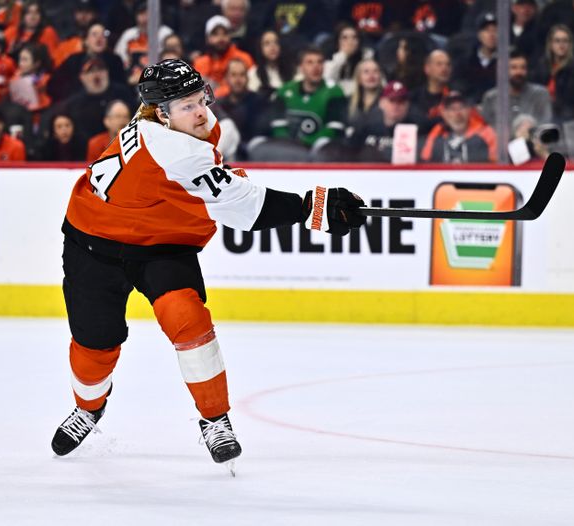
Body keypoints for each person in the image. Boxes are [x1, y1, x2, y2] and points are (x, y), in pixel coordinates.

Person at [51, 58, 366, 466]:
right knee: (95, 345)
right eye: (187, 105)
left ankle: (215, 419)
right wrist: (315, 207)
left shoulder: (173, 126)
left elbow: (202, 183)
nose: (201, 111)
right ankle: (88, 408)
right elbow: (243, 207)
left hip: (161, 241)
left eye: (201, 99)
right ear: (161, 113)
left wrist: (223, 179)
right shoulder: (170, 145)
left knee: (190, 322)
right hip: (94, 242)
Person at [270, 46, 347, 148]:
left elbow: (333, 128)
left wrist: (305, 143)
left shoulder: (334, 92)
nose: (316, 67)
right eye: (310, 62)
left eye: (319, 62)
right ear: (301, 67)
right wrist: (288, 144)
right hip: (287, 148)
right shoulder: (285, 91)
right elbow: (278, 125)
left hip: (319, 150)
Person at [347, 80, 421, 159]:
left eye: (401, 101)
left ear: (407, 105)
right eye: (391, 101)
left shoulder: (417, 130)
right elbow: (349, 156)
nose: (396, 106)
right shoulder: (365, 129)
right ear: (381, 103)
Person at [531, 24, 574, 123]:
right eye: (557, 41)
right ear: (550, 44)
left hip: (565, 115)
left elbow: (570, 100)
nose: (561, 45)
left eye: (565, 41)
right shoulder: (542, 64)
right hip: (542, 110)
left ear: (570, 44)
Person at [479, 49, 552, 128]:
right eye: (513, 68)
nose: (519, 72)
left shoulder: (540, 94)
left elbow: (546, 125)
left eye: (523, 68)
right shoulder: (491, 97)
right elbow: (485, 130)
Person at [420, 90, 497, 163]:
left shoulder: (485, 132)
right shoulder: (438, 132)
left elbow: (496, 162)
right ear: (444, 113)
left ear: (469, 110)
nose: (457, 114)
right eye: (452, 109)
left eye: (461, 107)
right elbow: (426, 159)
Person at [193, 15, 255, 99]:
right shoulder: (200, 63)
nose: (220, 38)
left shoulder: (244, 58)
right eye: (215, 34)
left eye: (225, 33)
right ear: (207, 38)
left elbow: (252, 86)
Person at [113, 1, 173, 85]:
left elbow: (174, 61)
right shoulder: (128, 35)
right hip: (133, 82)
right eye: (142, 14)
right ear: (136, 17)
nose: (146, 18)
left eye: (148, 13)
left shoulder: (166, 33)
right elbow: (119, 60)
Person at [323, 23, 373, 97]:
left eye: (354, 37)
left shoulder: (367, 56)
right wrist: (343, 56)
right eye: (345, 38)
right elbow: (327, 81)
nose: (350, 42)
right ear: (337, 42)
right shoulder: (330, 59)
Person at [410, 48, 452, 133]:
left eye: (448, 65)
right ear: (427, 69)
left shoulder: (454, 97)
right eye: (439, 64)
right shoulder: (413, 97)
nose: (444, 69)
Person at [247, 29, 295, 97]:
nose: (272, 47)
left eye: (276, 42)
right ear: (260, 49)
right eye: (267, 43)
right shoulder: (253, 73)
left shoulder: (294, 71)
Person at [346, 57, 385, 122]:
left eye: (375, 71)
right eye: (366, 72)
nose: (371, 75)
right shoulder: (348, 103)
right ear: (359, 78)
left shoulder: (389, 101)